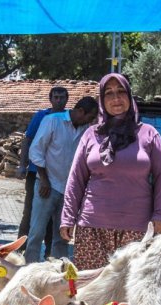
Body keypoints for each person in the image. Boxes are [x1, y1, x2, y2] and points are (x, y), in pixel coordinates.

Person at [60, 73, 161, 270]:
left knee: (131, 294)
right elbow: (76, 178)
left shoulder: (148, 134)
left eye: (121, 91)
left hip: (137, 231)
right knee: (91, 292)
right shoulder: (91, 134)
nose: (116, 98)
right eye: (109, 93)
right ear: (102, 100)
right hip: (92, 228)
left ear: (129, 96)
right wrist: (68, 217)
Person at [25, 96, 98, 264]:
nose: (91, 121)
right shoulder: (52, 121)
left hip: (69, 189)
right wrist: (44, 180)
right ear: (80, 111)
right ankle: (29, 267)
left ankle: (59, 270)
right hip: (47, 185)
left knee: (62, 234)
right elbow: (36, 151)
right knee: (37, 231)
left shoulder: (86, 129)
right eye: (90, 116)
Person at [17, 86, 69, 255]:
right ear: (50, 99)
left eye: (62, 97)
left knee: (54, 218)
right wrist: (22, 165)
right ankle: (21, 249)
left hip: (58, 176)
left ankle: (49, 253)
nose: (59, 100)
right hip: (36, 173)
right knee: (31, 212)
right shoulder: (41, 116)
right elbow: (28, 140)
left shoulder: (68, 119)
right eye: (56, 97)